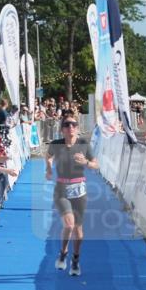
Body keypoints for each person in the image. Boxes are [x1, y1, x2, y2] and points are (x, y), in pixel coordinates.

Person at [45, 115, 98, 277]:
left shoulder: (84, 145)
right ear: (62, 129)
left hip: (79, 190)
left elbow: (96, 165)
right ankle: (63, 252)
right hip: (61, 188)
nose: (71, 127)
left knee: (79, 232)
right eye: (67, 124)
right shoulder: (56, 145)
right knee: (68, 225)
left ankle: (75, 260)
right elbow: (48, 156)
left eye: (74, 124)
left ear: (77, 127)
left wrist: (86, 163)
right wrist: (48, 168)